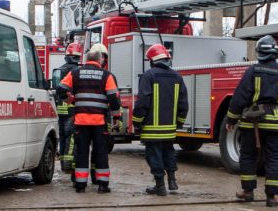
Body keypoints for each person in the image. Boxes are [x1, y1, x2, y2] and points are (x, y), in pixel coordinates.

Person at [225, 35, 278, 207]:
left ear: (259, 52)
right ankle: (273, 197)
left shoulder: (253, 71)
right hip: (277, 123)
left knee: (248, 156)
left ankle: (247, 192)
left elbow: (240, 97)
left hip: (252, 123)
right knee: (274, 158)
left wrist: (231, 119)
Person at [57, 43, 121, 193]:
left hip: (81, 121)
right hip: (99, 122)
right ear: (100, 60)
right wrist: (116, 117)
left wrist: (70, 99)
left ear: (86, 59)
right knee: (101, 152)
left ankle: (80, 185)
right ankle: (102, 185)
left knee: (81, 152)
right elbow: (113, 99)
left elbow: (60, 89)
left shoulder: (75, 73)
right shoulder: (107, 75)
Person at [133, 44, 189, 196]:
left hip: (152, 128)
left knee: (154, 155)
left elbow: (143, 101)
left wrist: (137, 121)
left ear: (152, 60)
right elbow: (184, 103)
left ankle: (160, 186)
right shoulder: (177, 76)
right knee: (168, 152)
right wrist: (179, 122)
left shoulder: (149, 75)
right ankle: (172, 180)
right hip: (170, 128)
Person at [54, 41, 84, 174]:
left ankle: (63, 164)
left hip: (61, 109)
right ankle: (69, 164)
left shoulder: (59, 69)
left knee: (62, 136)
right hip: (72, 107)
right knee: (72, 136)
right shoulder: (77, 72)